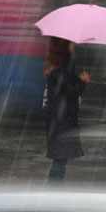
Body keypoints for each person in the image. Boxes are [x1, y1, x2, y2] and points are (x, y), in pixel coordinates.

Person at [43, 36, 90, 183]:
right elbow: (70, 92)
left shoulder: (59, 67)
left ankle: (54, 185)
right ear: (63, 47)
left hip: (60, 118)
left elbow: (68, 82)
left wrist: (79, 79)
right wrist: (82, 83)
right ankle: (54, 187)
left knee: (61, 158)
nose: (73, 45)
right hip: (61, 119)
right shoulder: (59, 70)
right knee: (60, 157)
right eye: (70, 43)